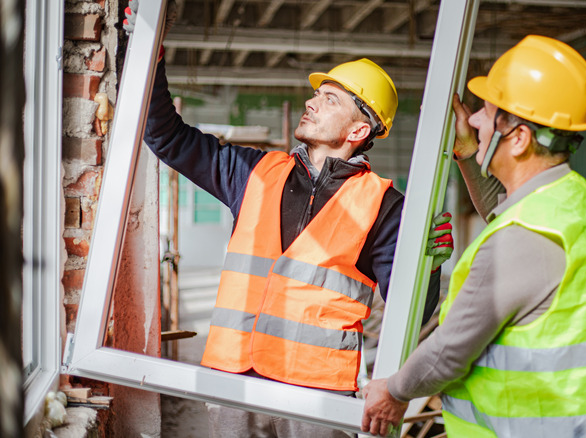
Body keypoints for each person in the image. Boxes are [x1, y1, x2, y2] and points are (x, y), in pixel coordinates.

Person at [124, 4, 453, 438]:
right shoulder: (254, 171)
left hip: (316, 399)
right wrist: (149, 56)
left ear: (358, 130)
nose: (311, 102)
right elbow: (165, 136)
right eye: (317, 94)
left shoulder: (385, 205)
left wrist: (428, 266)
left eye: (329, 99)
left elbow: (408, 315)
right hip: (233, 383)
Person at [361, 35, 586, 438]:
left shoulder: (523, 237)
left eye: (487, 113)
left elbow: (450, 351)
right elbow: (506, 210)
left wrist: (394, 390)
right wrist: (470, 154)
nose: (473, 120)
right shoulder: (574, 200)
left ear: (520, 138)